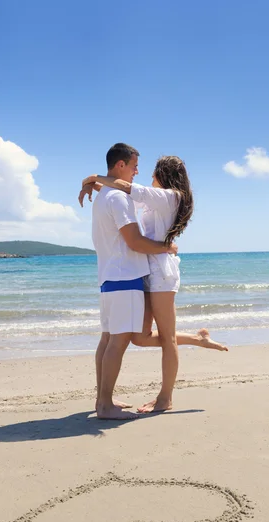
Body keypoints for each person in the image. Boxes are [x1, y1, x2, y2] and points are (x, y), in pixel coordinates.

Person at [80, 154, 228, 414]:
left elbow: (125, 187)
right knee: (140, 337)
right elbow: (119, 196)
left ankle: (165, 398)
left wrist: (93, 178)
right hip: (144, 271)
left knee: (167, 337)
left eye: (152, 174)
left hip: (161, 272)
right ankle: (198, 338)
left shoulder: (171, 196)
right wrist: (96, 186)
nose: (147, 177)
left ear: (164, 175)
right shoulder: (154, 200)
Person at [85, 143, 179, 420]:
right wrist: (166, 248)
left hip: (108, 277)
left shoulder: (104, 196)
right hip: (125, 277)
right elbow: (135, 242)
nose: (138, 171)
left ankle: (103, 399)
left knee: (106, 340)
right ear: (120, 165)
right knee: (118, 343)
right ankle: (105, 407)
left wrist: (90, 181)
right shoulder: (118, 197)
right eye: (135, 165)